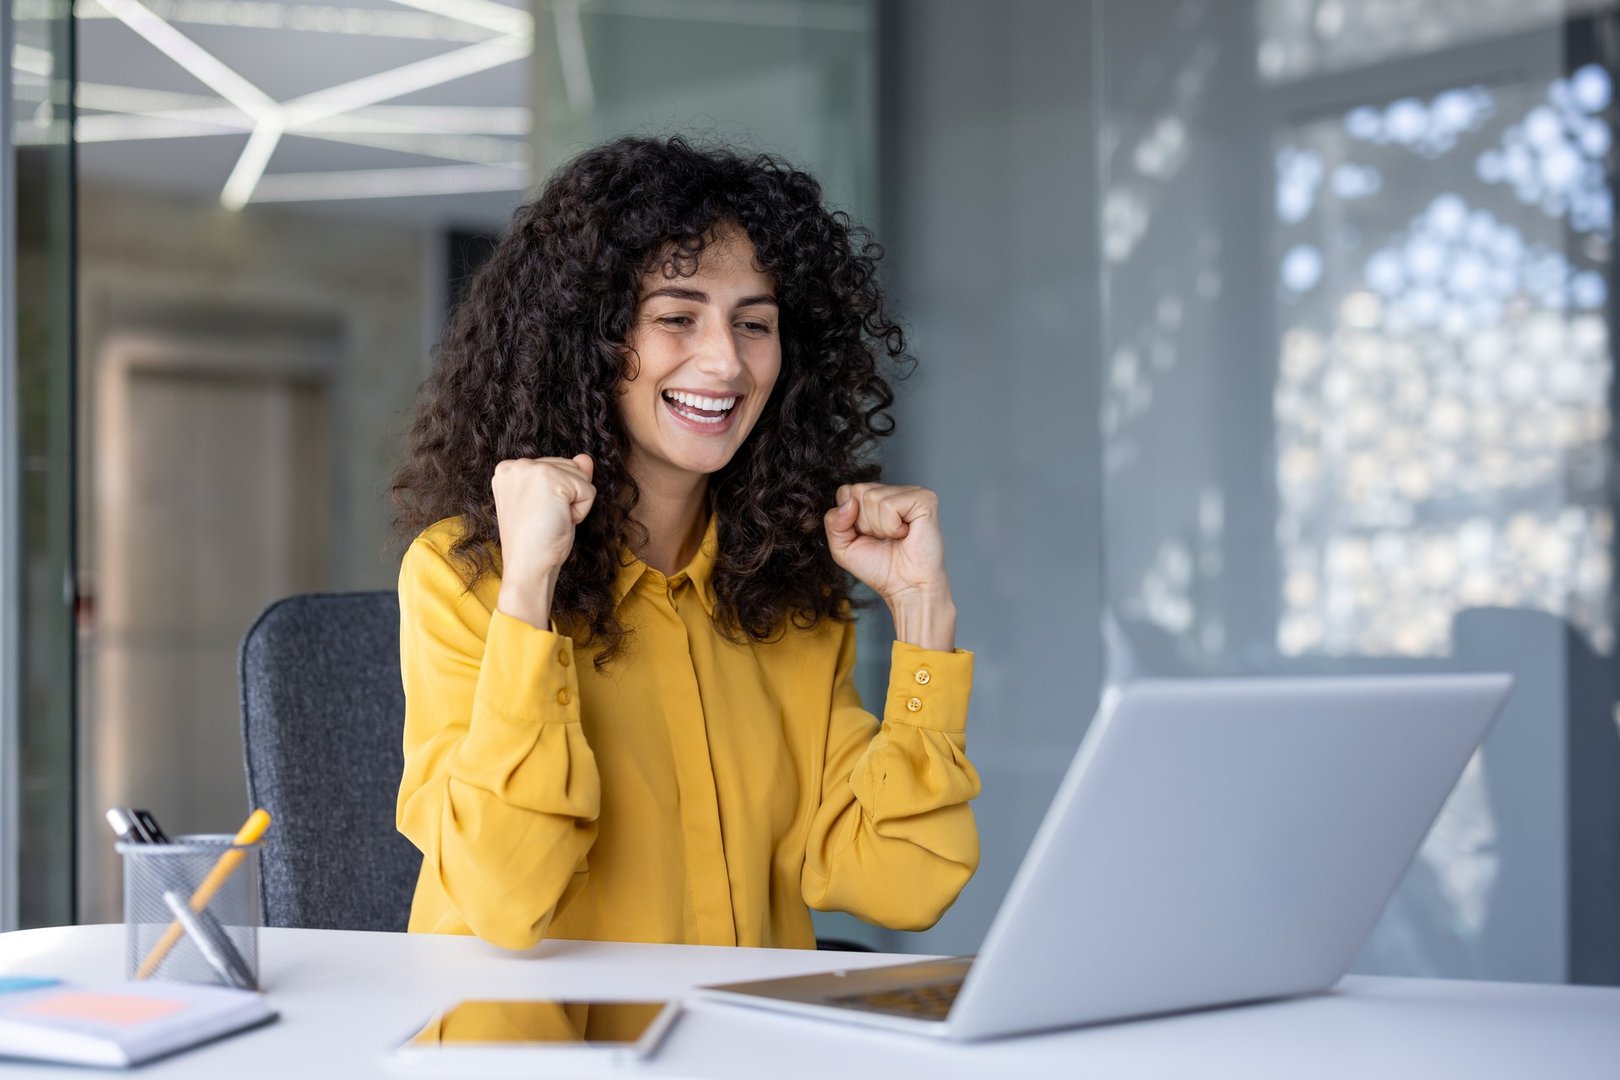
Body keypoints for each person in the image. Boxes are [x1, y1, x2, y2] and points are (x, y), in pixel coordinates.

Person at [390, 135, 980, 951]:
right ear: (587, 340)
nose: (724, 361)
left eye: (755, 323)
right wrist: (529, 592)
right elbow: (503, 896)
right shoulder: (466, 578)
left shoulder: (788, 590)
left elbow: (899, 880)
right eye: (676, 316)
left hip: (739, 1043)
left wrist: (923, 619)